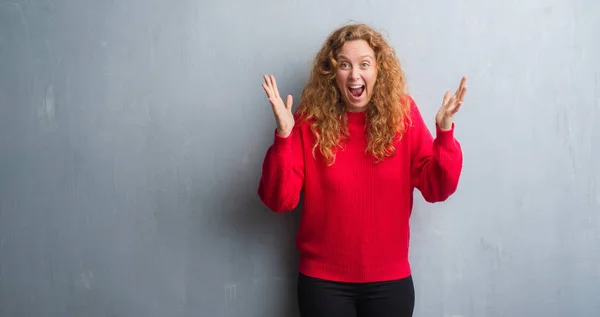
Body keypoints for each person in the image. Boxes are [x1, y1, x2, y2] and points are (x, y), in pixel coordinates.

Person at [257, 22, 466, 317]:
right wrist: (284, 137)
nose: (355, 75)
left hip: (390, 283)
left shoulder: (403, 116)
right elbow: (279, 199)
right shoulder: (309, 121)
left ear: (378, 69)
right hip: (322, 283)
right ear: (332, 73)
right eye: (344, 65)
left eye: (364, 64)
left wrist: (444, 132)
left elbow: (438, 188)